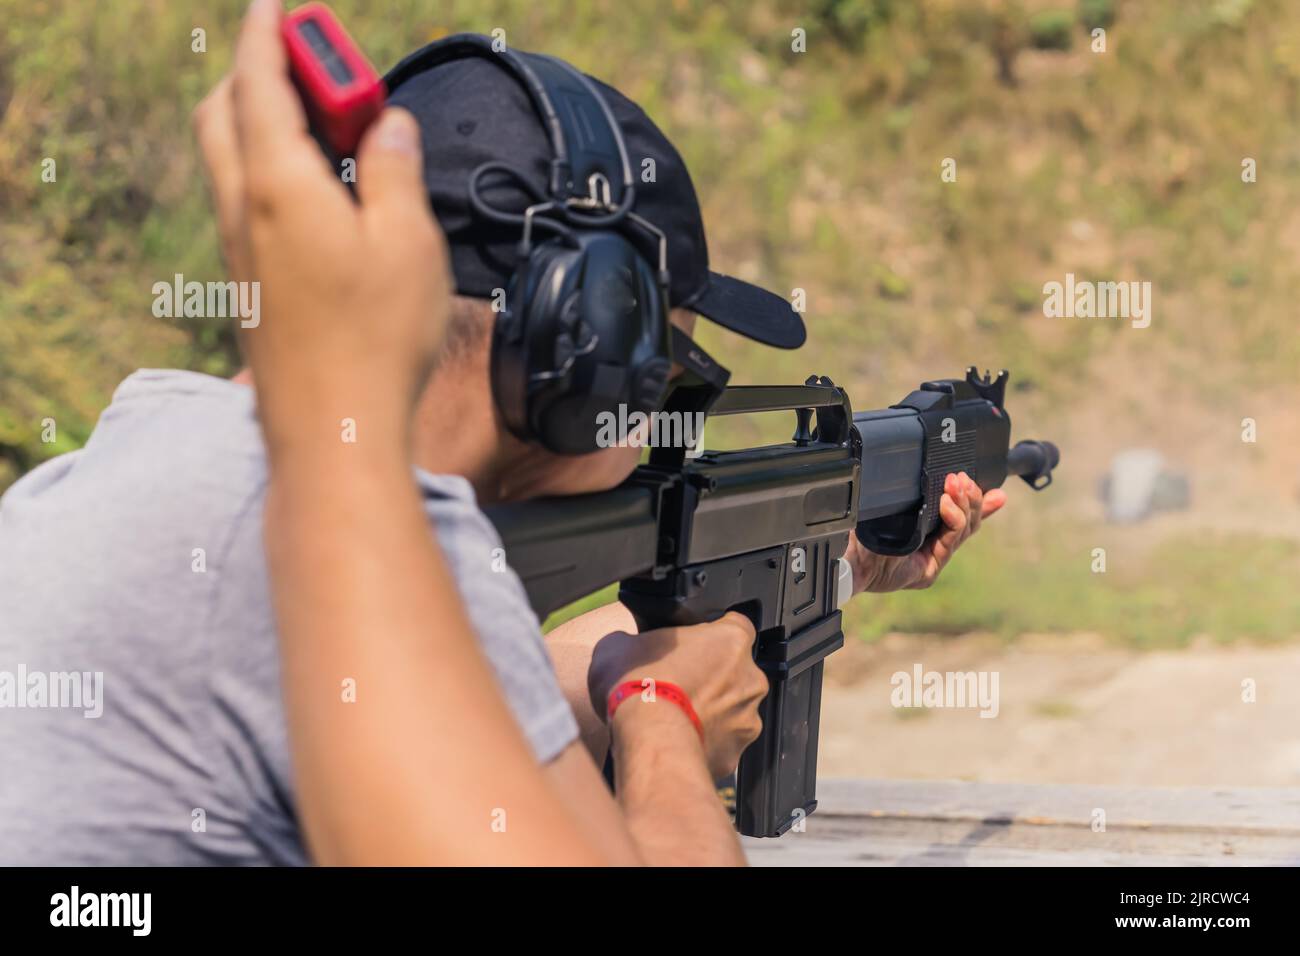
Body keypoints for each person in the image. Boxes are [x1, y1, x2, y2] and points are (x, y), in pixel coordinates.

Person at [0, 0, 1002, 865]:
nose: (666, 417)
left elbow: (483, 693)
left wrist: (825, 569)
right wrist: (665, 730)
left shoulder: (152, 482)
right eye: (673, 377)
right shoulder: (332, 529)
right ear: (585, 349)